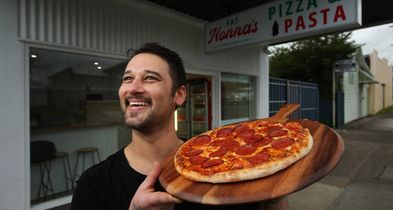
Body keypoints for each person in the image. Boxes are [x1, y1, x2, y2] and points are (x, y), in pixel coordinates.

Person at [71, 42, 287, 210]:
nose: (133, 88)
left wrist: (276, 192)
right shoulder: (93, 184)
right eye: (128, 78)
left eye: (149, 78)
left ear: (179, 95)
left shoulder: (223, 167)